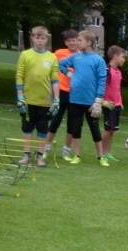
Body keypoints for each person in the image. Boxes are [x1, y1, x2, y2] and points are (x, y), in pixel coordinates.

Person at [57, 31, 108, 166]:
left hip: (91, 101)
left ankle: (101, 157)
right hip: (75, 99)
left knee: (94, 129)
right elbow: (61, 64)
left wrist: (98, 100)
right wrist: (68, 74)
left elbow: (102, 80)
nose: (77, 43)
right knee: (76, 128)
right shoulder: (76, 57)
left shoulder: (98, 60)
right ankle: (76, 155)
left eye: (80, 40)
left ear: (89, 42)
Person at [14, 25, 60, 168]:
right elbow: (20, 76)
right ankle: (26, 155)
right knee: (27, 127)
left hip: (45, 101)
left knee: (42, 128)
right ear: (32, 38)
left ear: (47, 39)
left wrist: (57, 100)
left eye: (43, 38)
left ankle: (40, 156)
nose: (40, 40)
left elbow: (55, 80)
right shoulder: (25, 55)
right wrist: (20, 97)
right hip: (28, 100)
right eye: (37, 37)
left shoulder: (52, 57)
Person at [45, 29, 78, 160]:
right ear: (65, 42)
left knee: (72, 123)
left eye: (74, 40)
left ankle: (66, 150)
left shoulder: (81, 55)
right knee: (55, 120)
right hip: (61, 91)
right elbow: (51, 63)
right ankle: (46, 148)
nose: (72, 43)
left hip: (75, 93)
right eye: (69, 41)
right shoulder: (60, 53)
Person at [99, 45, 125, 164]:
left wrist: (121, 102)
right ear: (115, 56)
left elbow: (117, 89)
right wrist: (103, 101)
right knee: (108, 130)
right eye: (122, 57)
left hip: (117, 105)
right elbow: (101, 86)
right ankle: (100, 152)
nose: (124, 60)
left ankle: (107, 152)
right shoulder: (107, 70)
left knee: (112, 130)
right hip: (109, 105)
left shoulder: (118, 72)